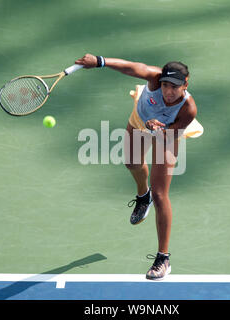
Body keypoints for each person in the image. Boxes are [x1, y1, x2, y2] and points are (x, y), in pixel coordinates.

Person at [75, 54, 197, 280]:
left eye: (175, 87)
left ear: (185, 85)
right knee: (131, 162)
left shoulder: (188, 109)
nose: (169, 91)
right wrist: (100, 61)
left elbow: (170, 136)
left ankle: (163, 257)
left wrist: (158, 130)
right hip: (140, 120)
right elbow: (132, 67)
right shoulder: (153, 79)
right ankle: (143, 196)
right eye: (165, 85)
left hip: (167, 135)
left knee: (161, 194)